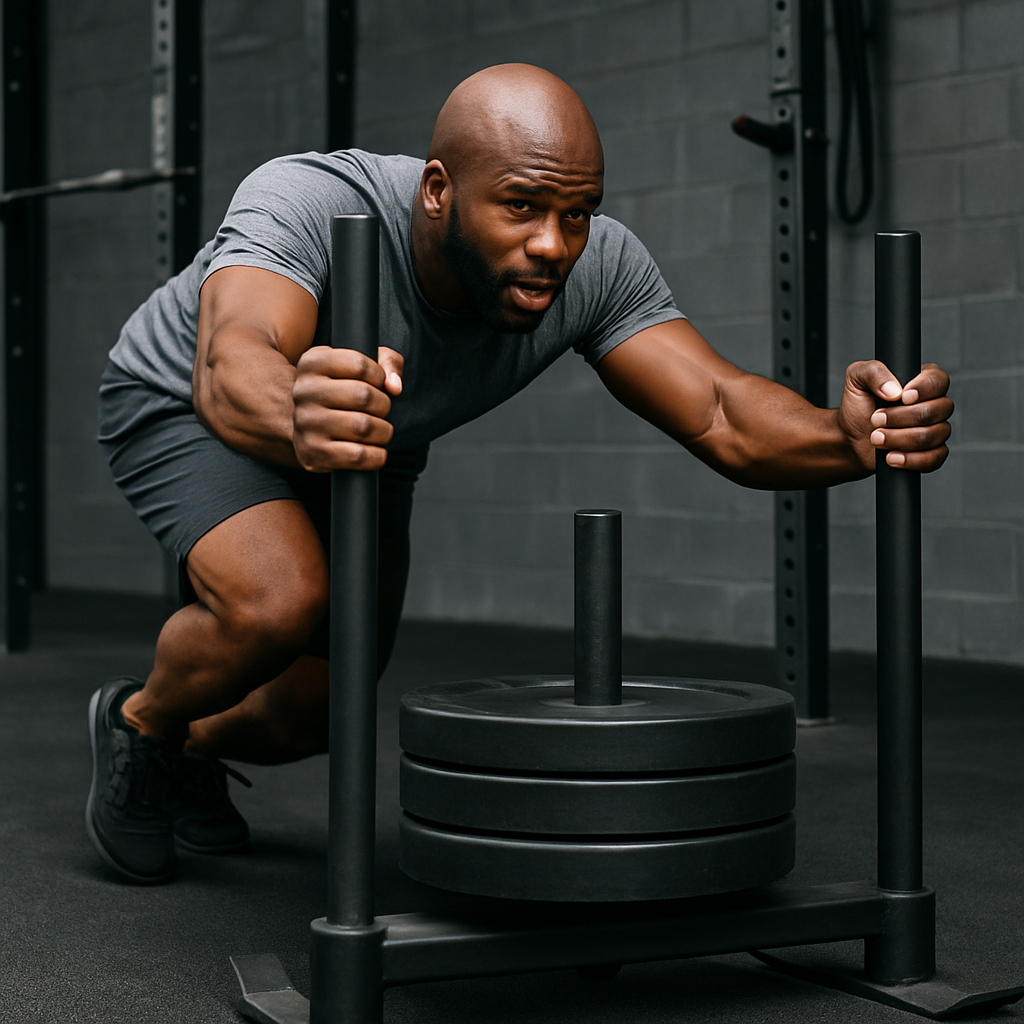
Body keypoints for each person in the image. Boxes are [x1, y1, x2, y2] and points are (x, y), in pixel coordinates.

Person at [86, 64, 952, 884]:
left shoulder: (594, 265)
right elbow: (232, 361)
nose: (552, 245)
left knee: (320, 711)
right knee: (281, 600)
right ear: (438, 190)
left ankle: (190, 748)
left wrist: (849, 436)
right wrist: (296, 408)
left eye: (578, 214)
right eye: (521, 206)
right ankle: (142, 724)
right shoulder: (309, 199)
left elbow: (722, 412)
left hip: (375, 438)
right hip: (186, 401)